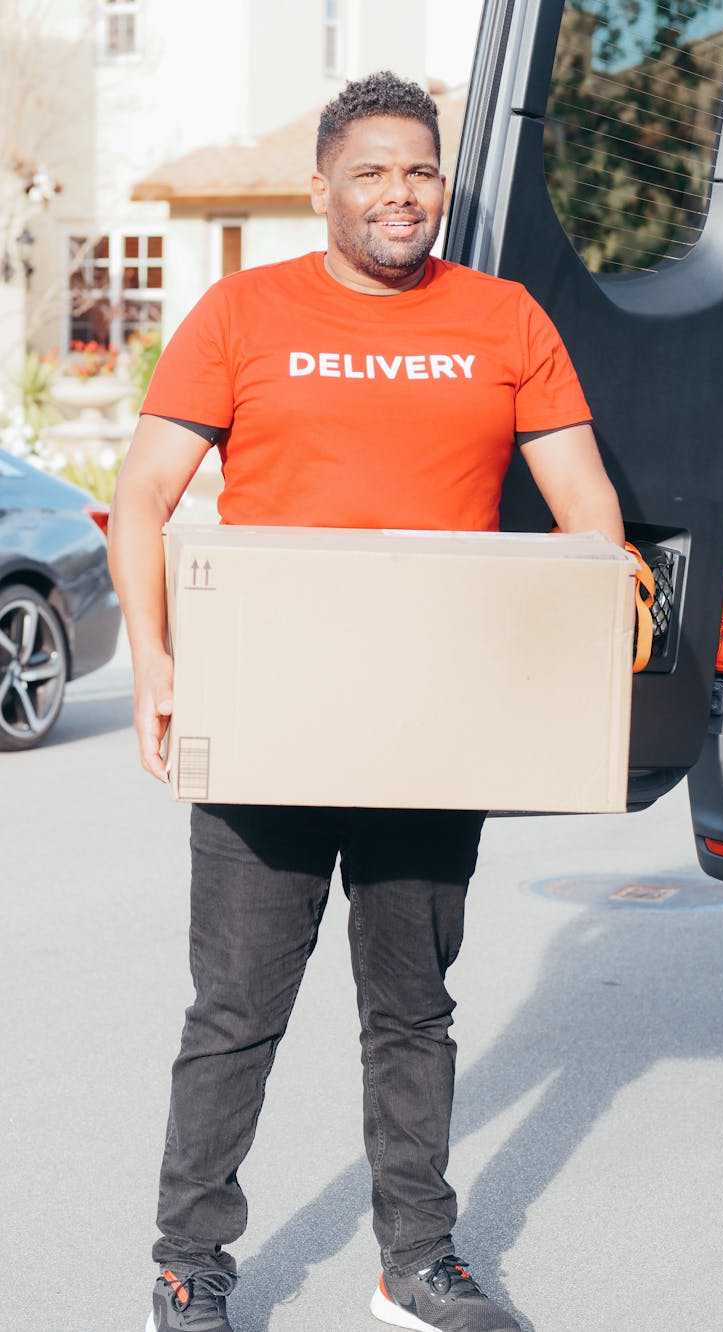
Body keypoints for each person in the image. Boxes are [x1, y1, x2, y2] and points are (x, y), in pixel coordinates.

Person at [108, 71, 624, 1332]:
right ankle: (191, 1256)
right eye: (375, 171)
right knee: (236, 1012)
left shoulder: (505, 320)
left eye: (422, 171)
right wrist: (160, 664)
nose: (402, 193)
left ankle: (418, 1260)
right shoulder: (241, 312)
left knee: (414, 1008)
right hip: (270, 717)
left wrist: (577, 658)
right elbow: (141, 496)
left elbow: (589, 515)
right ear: (325, 188)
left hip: (429, 728)